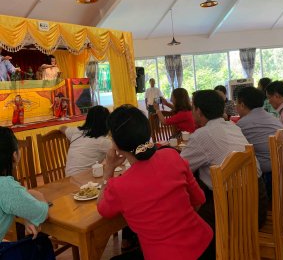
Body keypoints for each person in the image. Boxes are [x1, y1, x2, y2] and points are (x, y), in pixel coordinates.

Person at [97, 105, 213, 260]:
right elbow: (199, 200)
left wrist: (109, 170)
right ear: (147, 131)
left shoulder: (119, 186)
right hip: (206, 245)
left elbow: (102, 208)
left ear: (116, 144)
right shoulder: (172, 155)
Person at [180, 90, 268, 237]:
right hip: (257, 207)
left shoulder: (202, 135)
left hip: (235, 216)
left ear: (198, 111)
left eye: (192, 107)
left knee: (188, 220)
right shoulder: (232, 126)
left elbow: (179, 167)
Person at [0, 127, 49, 241]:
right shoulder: (6, 186)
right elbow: (42, 212)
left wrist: (27, 215)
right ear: (14, 155)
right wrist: (37, 195)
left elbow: (15, 204)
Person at [236, 87, 283, 197]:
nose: (236, 107)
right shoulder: (271, 117)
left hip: (271, 178)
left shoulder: (243, 124)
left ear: (242, 105)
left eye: (236, 103)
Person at [60, 105, 112, 176]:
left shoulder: (76, 131)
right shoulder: (103, 141)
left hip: (68, 177)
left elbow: (62, 128)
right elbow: (120, 153)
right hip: (85, 179)